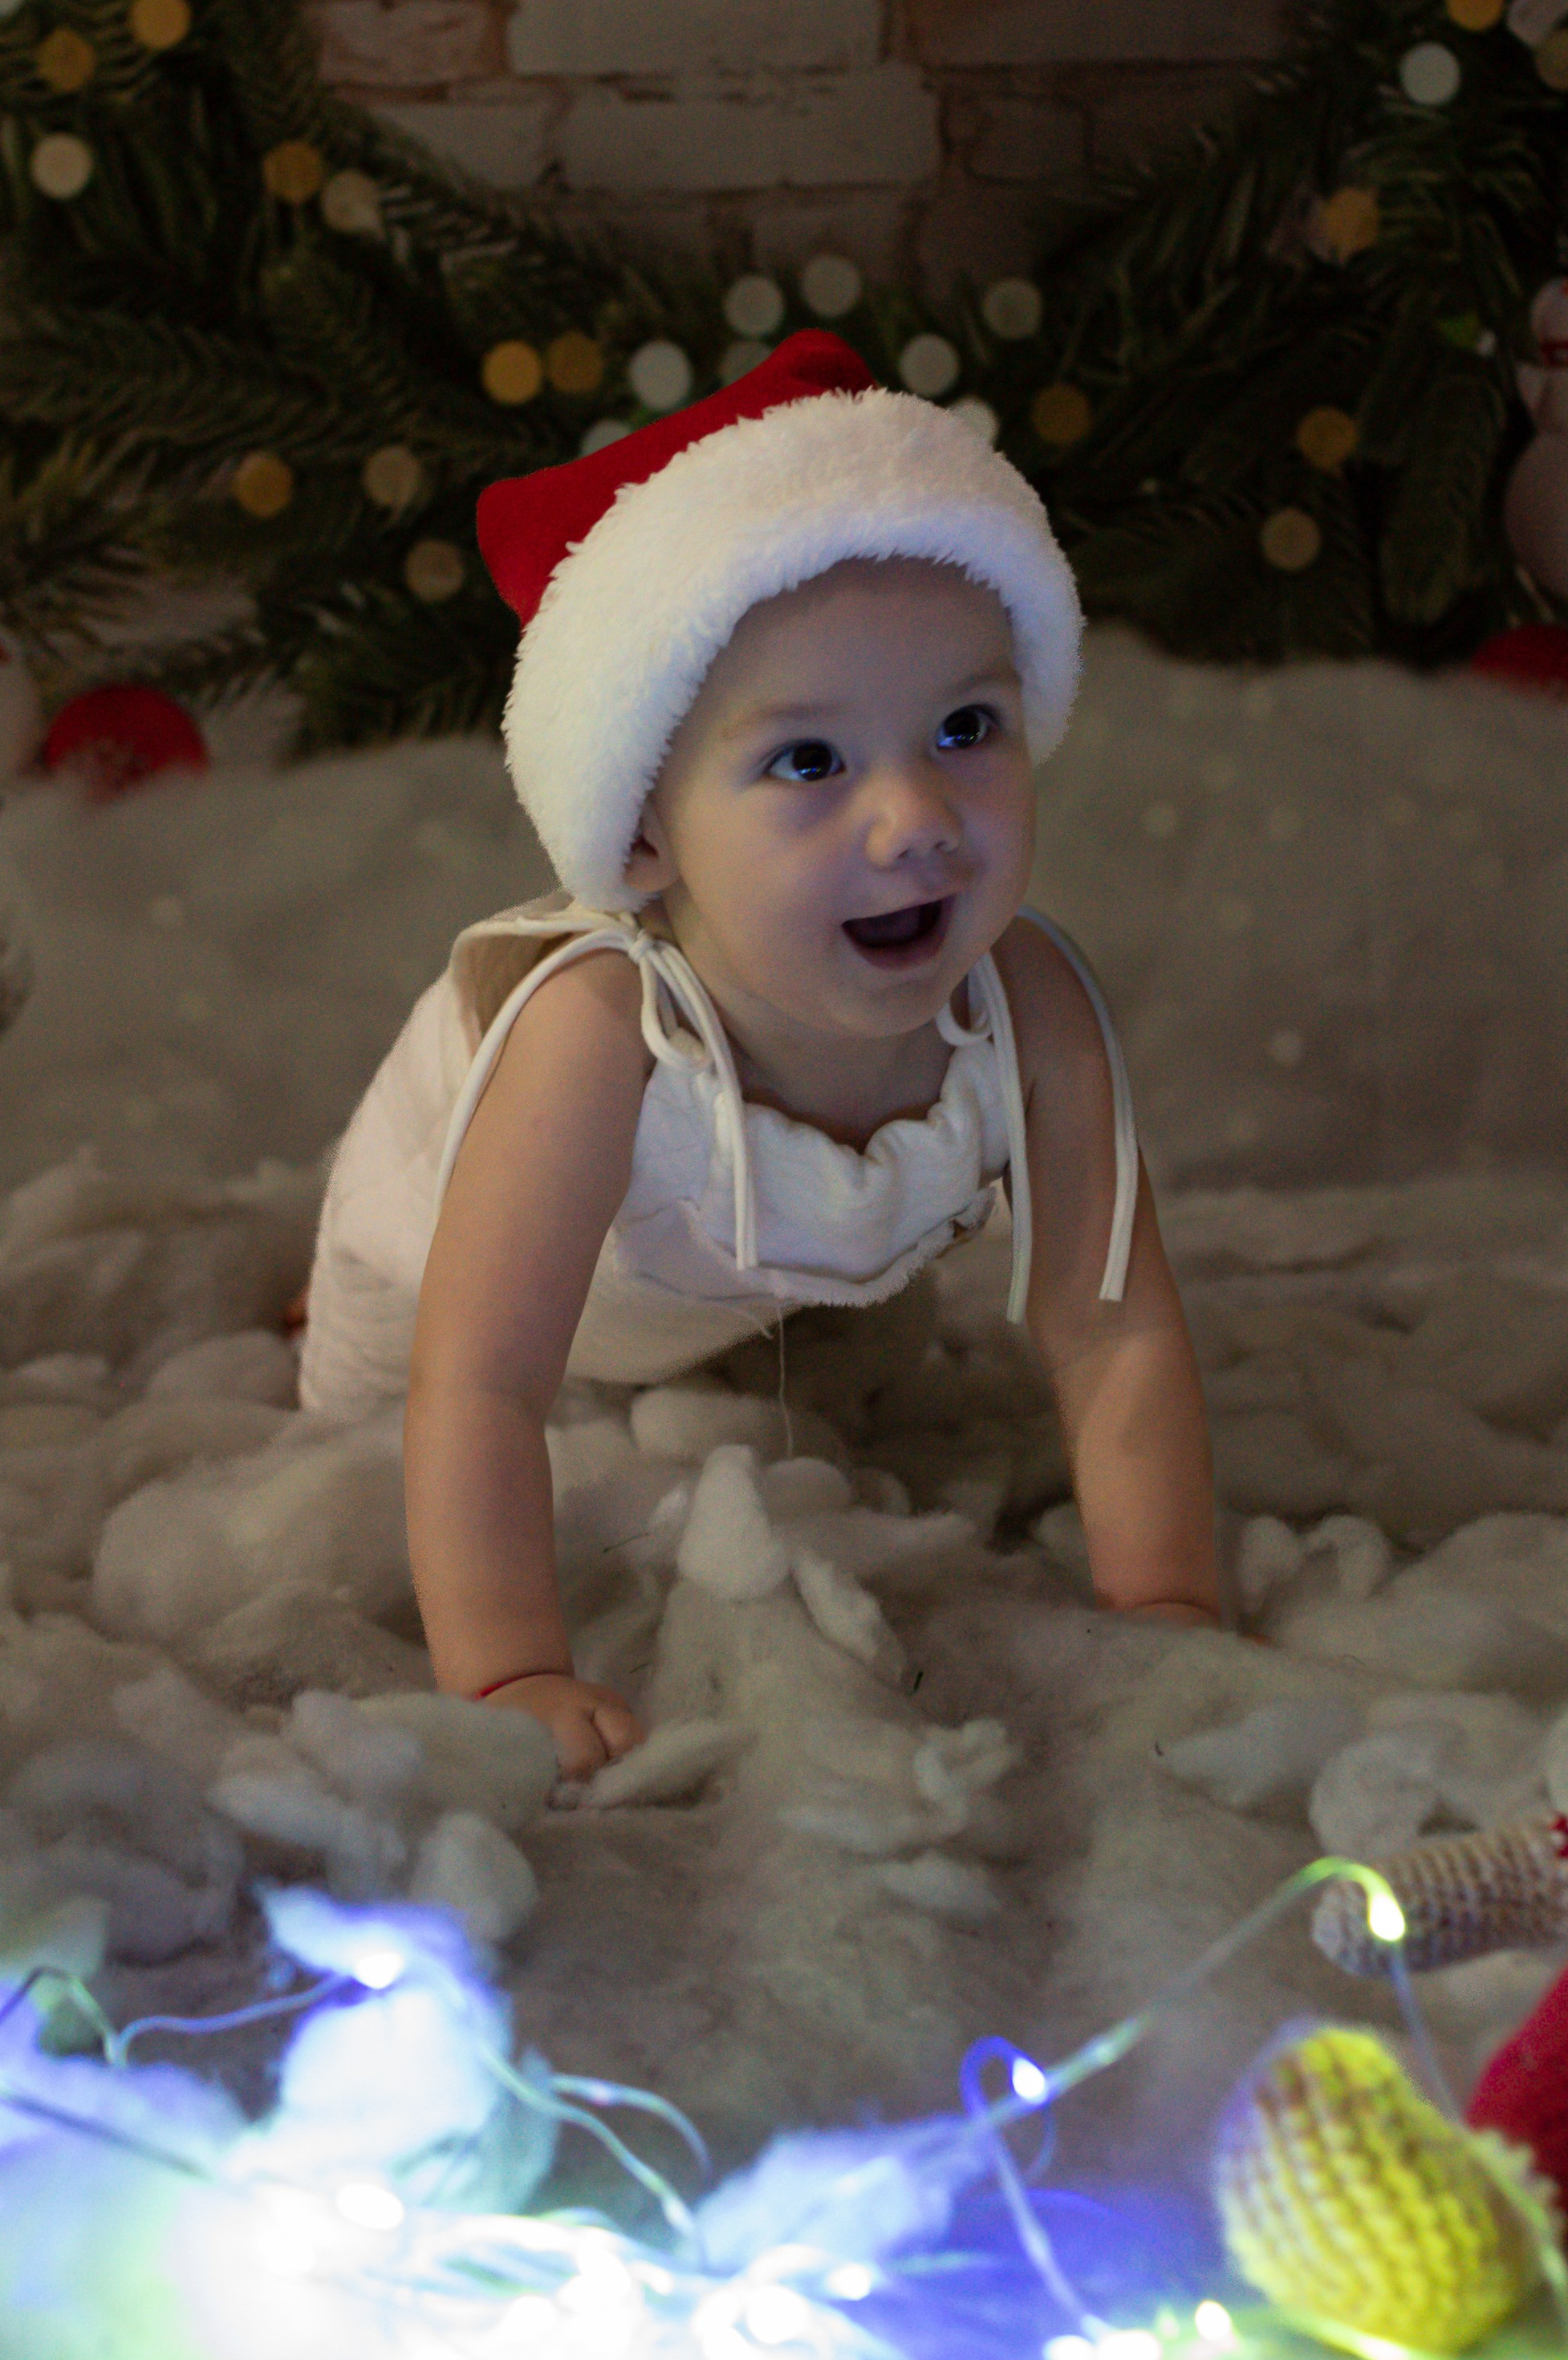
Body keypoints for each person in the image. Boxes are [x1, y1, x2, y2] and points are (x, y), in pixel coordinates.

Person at [297, 331, 1221, 1784]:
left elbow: (1113, 1329)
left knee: (835, 1371)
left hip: (741, 1281)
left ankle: (767, 1303)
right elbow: (477, 1382)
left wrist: (1167, 1607)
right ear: (644, 836)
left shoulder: (1030, 1003)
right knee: (347, 1442)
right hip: (445, 1250)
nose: (916, 817)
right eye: (809, 761)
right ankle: (309, 1299)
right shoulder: (594, 1038)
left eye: (967, 727)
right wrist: (514, 1670)